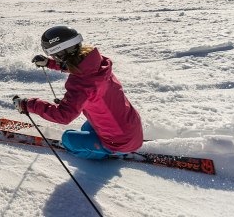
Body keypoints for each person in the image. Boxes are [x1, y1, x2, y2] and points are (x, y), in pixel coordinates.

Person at [12, 26, 143, 160]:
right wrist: (49, 63)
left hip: (119, 143)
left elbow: (63, 116)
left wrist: (27, 104)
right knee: (86, 126)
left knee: (68, 138)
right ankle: (109, 144)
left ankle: (105, 154)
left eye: (53, 55)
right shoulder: (97, 62)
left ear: (60, 54)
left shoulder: (81, 84)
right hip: (131, 125)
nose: (53, 58)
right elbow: (79, 67)